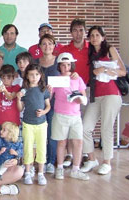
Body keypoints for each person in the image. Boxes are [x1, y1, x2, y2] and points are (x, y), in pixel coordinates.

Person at [81, 26, 127, 175]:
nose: (94, 38)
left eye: (97, 35)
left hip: (111, 93)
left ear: (103, 37)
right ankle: (92, 159)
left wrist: (104, 70)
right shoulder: (91, 53)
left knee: (106, 127)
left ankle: (107, 162)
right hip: (96, 95)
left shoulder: (110, 50)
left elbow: (123, 71)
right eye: (92, 35)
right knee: (85, 128)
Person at [50, 52, 89, 181]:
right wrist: (48, 90)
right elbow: (49, 97)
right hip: (60, 115)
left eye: (68, 65)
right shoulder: (56, 80)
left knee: (78, 141)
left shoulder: (78, 79)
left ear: (71, 65)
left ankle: (75, 169)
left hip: (75, 116)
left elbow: (84, 97)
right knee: (61, 142)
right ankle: (60, 168)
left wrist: (80, 99)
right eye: (63, 65)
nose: (66, 67)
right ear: (59, 66)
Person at [59, 18, 90, 167]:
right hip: (66, 91)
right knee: (68, 123)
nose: (78, 33)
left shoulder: (91, 49)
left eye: (81, 30)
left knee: (82, 124)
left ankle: (83, 154)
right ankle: (69, 155)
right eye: (75, 30)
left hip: (85, 89)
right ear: (71, 32)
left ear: (85, 32)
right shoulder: (65, 49)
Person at [16, 64, 51, 185]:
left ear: (40, 75)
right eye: (31, 74)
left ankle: (40, 173)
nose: (34, 77)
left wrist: (43, 112)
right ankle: (27, 172)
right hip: (27, 123)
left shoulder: (43, 89)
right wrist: (18, 98)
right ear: (27, 76)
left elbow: (48, 106)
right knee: (28, 148)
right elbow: (20, 109)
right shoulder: (24, 90)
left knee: (41, 148)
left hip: (41, 124)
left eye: (36, 74)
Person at [36, 34, 61, 174]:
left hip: (55, 103)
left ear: (54, 46)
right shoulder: (35, 62)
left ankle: (51, 161)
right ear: (40, 47)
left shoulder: (59, 62)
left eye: (50, 44)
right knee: (40, 134)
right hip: (38, 104)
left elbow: (66, 76)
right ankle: (41, 160)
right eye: (44, 44)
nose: (47, 46)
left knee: (52, 133)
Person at [0, 122, 23, 186]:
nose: (1, 131)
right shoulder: (0, 141)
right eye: (1, 129)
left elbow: (22, 152)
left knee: (7, 163)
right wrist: (0, 152)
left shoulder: (17, 143)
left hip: (9, 166)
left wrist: (16, 153)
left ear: (11, 133)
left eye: (4, 130)